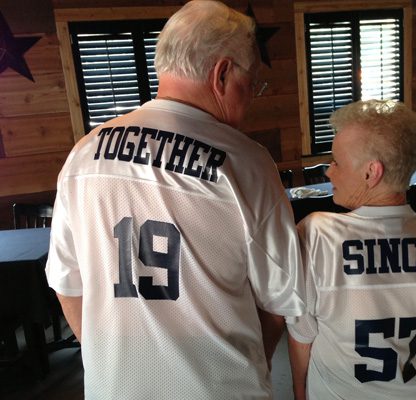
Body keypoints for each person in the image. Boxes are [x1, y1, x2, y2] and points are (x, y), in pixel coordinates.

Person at [45, 1, 305, 398]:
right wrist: (256, 363)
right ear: (221, 73)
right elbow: (281, 299)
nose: (251, 96)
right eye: (251, 83)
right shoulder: (246, 163)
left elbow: (67, 284)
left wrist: (107, 358)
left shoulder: (83, 155)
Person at [287, 99, 416, 400]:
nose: (329, 172)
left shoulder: (317, 234)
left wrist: (298, 394)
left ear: (372, 173)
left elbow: (301, 336)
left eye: (336, 162)